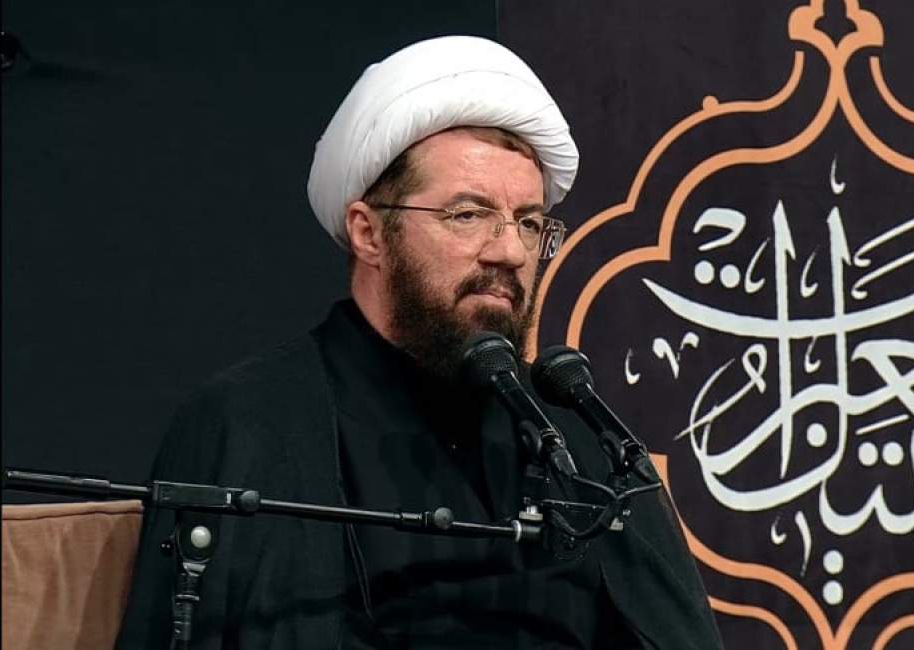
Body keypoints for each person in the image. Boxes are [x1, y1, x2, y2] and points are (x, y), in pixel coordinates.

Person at [116, 35, 724, 650]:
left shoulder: (577, 440)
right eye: (468, 214)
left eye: (529, 222)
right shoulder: (250, 422)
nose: (510, 251)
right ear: (369, 234)